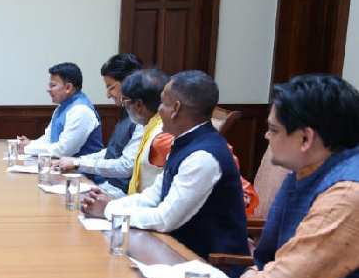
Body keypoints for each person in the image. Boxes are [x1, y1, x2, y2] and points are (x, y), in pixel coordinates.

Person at [239, 74, 359, 278]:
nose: (266, 136)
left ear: (305, 138)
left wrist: (249, 277)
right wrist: (259, 275)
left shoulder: (347, 195)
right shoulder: (305, 170)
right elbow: (269, 264)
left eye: (273, 129)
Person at [82, 70, 249, 260]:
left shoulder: (203, 157)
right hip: (174, 250)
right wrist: (112, 205)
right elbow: (153, 195)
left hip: (207, 266)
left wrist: (107, 210)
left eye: (162, 102)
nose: (158, 109)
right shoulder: (184, 141)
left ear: (176, 108)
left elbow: (165, 219)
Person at [53, 54, 144, 197]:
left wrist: (78, 163)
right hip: (108, 185)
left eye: (111, 87)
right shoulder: (127, 112)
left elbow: (126, 166)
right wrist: (77, 161)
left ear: (129, 82)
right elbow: (112, 151)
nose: (108, 95)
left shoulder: (142, 118)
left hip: (121, 193)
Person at [17, 62, 102, 157]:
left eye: (53, 85)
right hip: (62, 168)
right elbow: (49, 139)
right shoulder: (61, 107)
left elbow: (64, 150)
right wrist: (31, 144)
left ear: (68, 87)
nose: (48, 89)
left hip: (81, 171)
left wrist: (28, 148)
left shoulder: (81, 111)